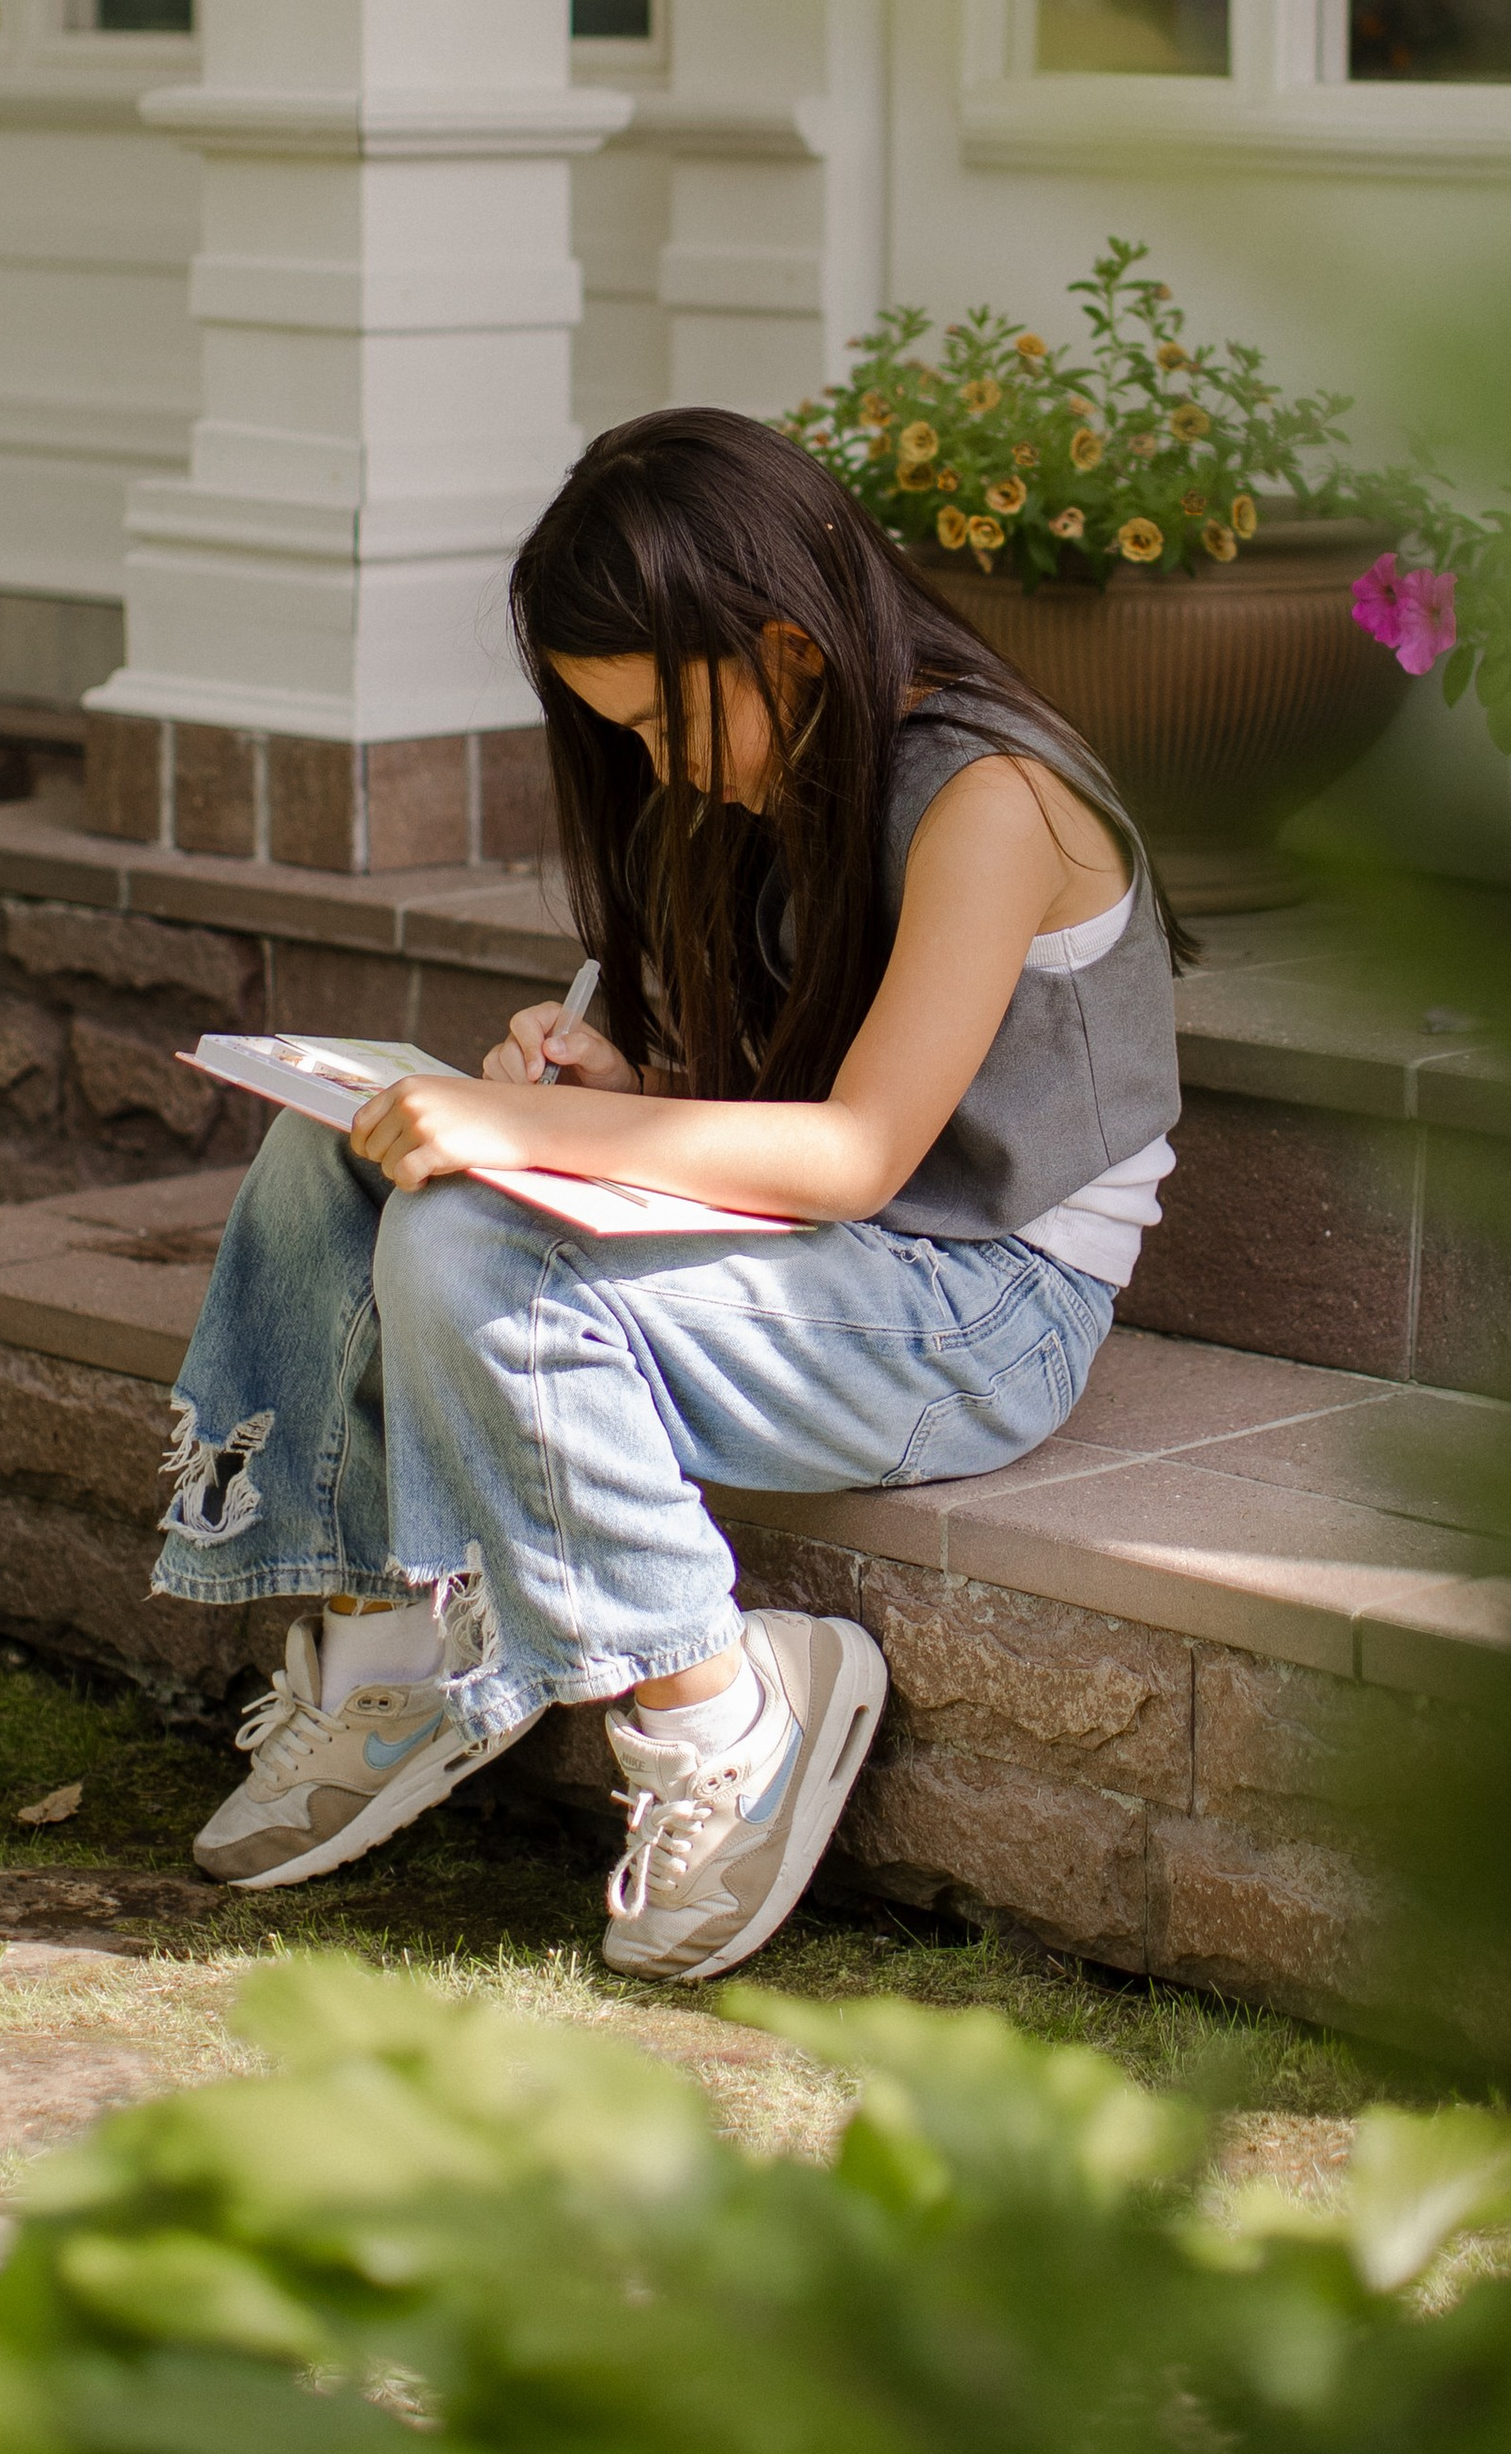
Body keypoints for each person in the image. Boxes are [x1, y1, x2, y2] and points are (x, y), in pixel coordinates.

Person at [152, 407, 1185, 1980]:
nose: (657, 769)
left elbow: (859, 1156)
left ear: (786, 646)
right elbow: (781, 1135)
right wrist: (609, 1097)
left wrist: (531, 1143)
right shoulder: (768, 786)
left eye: (662, 724)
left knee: (474, 1230)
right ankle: (396, 1651)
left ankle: (715, 1709)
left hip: (982, 1312)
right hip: (824, 1267)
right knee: (334, 1151)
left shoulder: (994, 801)